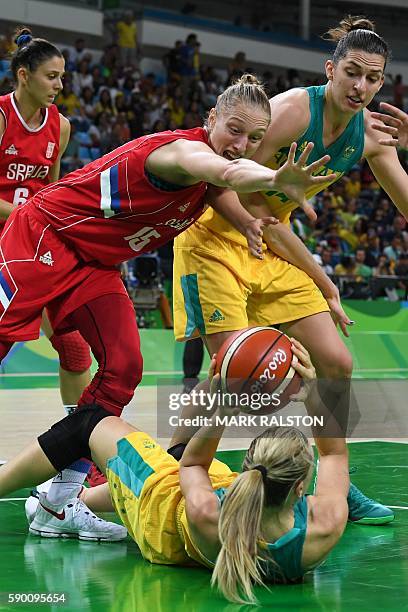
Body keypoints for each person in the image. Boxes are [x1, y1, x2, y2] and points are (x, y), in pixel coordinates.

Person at [0, 74, 334, 535]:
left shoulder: (206, 175)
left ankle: (59, 503)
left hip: (93, 263)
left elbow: (220, 190)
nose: (242, 144)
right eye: (234, 129)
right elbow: (225, 173)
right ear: (211, 118)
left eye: (256, 138)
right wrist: (275, 176)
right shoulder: (181, 152)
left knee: (123, 368)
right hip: (43, 235)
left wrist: (249, 224)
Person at [172, 15, 403, 524]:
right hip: (215, 241)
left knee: (336, 362)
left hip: (274, 244)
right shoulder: (294, 112)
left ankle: (333, 479)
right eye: (352, 73)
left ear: (383, 82)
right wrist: (323, 278)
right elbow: (217, 176)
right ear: (331, 69)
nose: (360, 86)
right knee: (233, 378)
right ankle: (173, 470)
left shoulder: (371, 136)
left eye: (373, 77)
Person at [0, 342, 351, 605]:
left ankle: (49, 506)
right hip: (198, 506)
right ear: (300, 487)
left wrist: (226, 404)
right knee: (181, 452)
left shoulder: (208, 511)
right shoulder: (324, 526)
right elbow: (334, 453)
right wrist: (314, 396)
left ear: (251, 465)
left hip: (160, 513)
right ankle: (70, 504)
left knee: (88, 422)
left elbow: (192, 465)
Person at [0, 27, 126, 538]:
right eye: (51, 77)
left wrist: (45, 221)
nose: (59, 85)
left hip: (40, 248)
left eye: (63, 78)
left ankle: (79, 448)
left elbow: (53, 190)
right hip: (6, 250)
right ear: (24, 75)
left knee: (75, 352)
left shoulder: (62, 126)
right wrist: (25, 216)